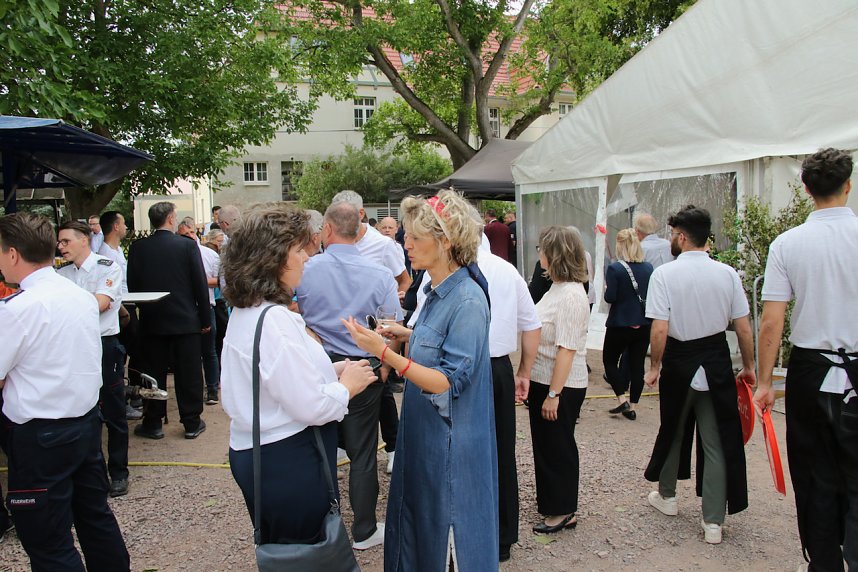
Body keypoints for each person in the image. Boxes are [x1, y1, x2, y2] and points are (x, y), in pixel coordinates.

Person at [342, 189, 498, 571]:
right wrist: (408, 334)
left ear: (444, 242)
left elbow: (447, 381)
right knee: (420, 520)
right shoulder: (439, 291)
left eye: (414, 237)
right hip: (428, 433)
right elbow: (443, 346)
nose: (405, 244)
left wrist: (383, 352)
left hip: (448, 443)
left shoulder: (466, 300)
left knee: (443, 527)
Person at [219, 204, 376, 551]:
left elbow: (274, 378)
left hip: (261, 452)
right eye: (297, 250)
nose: (306, 257)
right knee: (306, 549)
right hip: (285, 457)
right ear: (273, 259)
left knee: (287, 547)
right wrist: (346, 387)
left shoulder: (250, 311)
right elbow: (311, 406)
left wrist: (331, 371)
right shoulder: (275, 321)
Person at [0, 212, 130, 570]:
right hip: (85, 425)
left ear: (13, 254)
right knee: (95, 520)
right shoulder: (78, 297)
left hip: (40, 436)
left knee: (48, 541)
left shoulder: (17, 309)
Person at [753, 148, 858, 571]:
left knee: (815, 471)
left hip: (811, 368)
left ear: (806, 189)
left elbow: (771, 323)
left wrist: (764, 383)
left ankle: (824, 562)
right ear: (848, 186)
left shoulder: (788, 243)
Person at [643, 205, 755, 545]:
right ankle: (713, 523)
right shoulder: (728, 274)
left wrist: (654, 367)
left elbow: (660, 330)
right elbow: (744, 329)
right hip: (717, 360)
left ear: (680, 236)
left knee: (673, 428)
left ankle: (668, 497)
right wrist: (749, 368)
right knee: (716, 437)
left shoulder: (664, 274)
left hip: (679, 359)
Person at [295, 201, 402, 550]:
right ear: (359, 230)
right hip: (364, 366)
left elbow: (291, 314)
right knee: (363, 452)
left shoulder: (305, 270)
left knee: (317, 449)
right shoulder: (380, 273)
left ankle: (322, 529)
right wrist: (384, 365)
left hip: (319, 364)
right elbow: (390, 326)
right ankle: (364, 530)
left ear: (326, 230)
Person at [477, 240, 542, 562]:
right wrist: (524, 371)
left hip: (464, 368)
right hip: (497, 367)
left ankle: (467, 529)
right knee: (502, 450)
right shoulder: (507, 269)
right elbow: (531, 324)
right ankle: (503, 536)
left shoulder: (447, 267)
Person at [56, 221, 130, 497]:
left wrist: (68, 305)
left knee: (113, 410)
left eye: (66, 241)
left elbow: (100, 304)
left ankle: (119, 471)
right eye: (59, 242)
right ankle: (92, 473)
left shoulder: (106, 267)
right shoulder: (61, 275)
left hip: (103, 344)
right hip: (73, 346)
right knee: (81, 409)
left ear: (84, 240)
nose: (60, 247)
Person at [127, 201, 211, 440]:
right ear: (172, 219)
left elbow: (133, 285)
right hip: (185, 320)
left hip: (152, 320)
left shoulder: (138, 248)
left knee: (153, 373)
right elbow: (199, 284)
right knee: (189, 373)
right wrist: (205, 318)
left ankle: (153, 421)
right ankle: (191, 421)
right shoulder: (186, 246)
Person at [528, 225, 590, 535]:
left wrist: (554, 393)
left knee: (558, 446)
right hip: (546, 378)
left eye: (542, 250)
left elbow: (567, 349)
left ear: (555, 255)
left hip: (560, 383)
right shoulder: (557, 288)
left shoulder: (571, 296)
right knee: (548, 444)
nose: (538, 254)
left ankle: (564, 509)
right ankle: (554, 501)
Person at [602, 228, 654, 420]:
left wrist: (609, 289)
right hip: (643, 322)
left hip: (620, 323)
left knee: (609, 360)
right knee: (637, 364)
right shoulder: (649, 268)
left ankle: (621, 398)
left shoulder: (615, 269)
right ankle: (634, 406)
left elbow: (610, 297)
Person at [178, 220, 222, 405]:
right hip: (186, 308)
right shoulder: (177, 254)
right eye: (184, 234)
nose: (189, 236)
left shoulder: (209, 254)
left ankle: (212, 388)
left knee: (209, 350)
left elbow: (220, 280)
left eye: (191, 232)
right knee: (189, 353)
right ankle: (194, 391)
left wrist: (199, 281)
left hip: (207, 305)